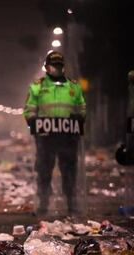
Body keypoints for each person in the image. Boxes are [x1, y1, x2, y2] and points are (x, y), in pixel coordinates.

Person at [23, 51, 86, 215]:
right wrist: (33, 122)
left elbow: (81, 107)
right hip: (46, 138)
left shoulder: (73, 87)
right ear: (46, 67)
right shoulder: (38, 86)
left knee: (69, 172)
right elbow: (29, 109)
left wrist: (79, 117)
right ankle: (43, 205)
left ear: (63, 67)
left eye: (59, 66)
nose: (56, 69)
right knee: (44, 171)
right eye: (53, 66)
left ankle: (72, 205)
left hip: (68, 137)